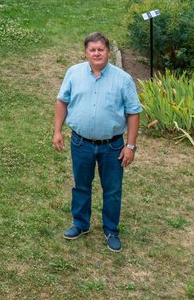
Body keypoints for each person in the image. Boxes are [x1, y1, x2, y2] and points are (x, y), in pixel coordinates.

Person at [52, 31, 142, 252]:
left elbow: (133, 113)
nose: (96, 53)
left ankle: (111, 230)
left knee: (112, 189)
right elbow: (62, 102)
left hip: (113, 146)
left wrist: (130, 146)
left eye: (100, 49)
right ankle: (81, 224)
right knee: (81, 185)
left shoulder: (123, 79)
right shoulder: (73, 73)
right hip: (81, 143)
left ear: (108, 52)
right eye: (92, 50)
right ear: (86, 53)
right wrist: (57, 131)